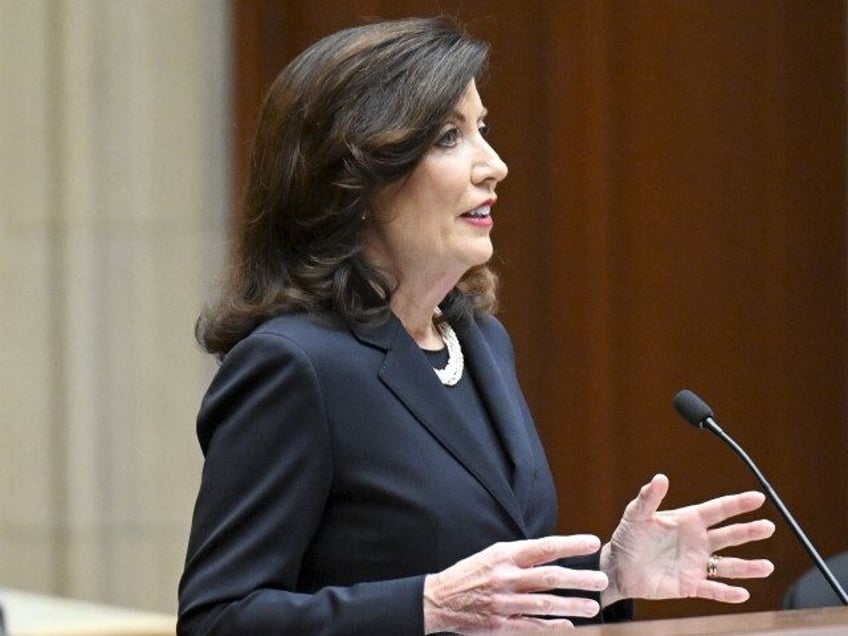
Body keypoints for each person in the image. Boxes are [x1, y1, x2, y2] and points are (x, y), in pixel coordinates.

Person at [177, 16, 775, 635]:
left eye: (481, 129)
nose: (494, 165)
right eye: (447, 137)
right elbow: (217, 619)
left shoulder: (479, 340)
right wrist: (426, 606)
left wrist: (609, 573)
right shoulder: (294, 365)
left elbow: (490, 583)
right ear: (357, 178)